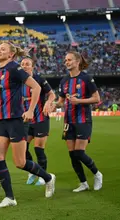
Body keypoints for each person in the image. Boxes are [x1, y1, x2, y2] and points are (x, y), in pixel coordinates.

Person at [0, 42, 56, 208]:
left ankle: (48, 178)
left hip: (16, 120)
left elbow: (35, 87)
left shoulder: (15, 68)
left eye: (3, 49)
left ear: (11, 55)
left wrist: (30, 110)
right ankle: (9, 197)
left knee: (20, 162)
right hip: (1, 120)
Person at [54, 51, 103, 192]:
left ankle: (97, 174)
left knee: (79, 153)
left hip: (83, 120)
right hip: (68, 121)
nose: (66, 62)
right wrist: (53, 104)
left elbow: (97, 99)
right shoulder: (64, 81)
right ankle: (83, 183)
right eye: (65, 60)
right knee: (72, 155)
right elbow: (61, 101)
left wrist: (79, 101)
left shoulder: (86, 78)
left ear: (77, 62)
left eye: (69, 60)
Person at [21, 58, 56, 186]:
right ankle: (32, 171)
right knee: (23, 148)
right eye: (22, 64)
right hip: (26, 120)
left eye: (27, 64)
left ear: (32, 67)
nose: (24, 66)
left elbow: (52, 94)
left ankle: (43, 176)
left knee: (38, 149)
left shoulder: (39, 79)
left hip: (41, 118)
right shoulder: (18, 81)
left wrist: (48, 102)